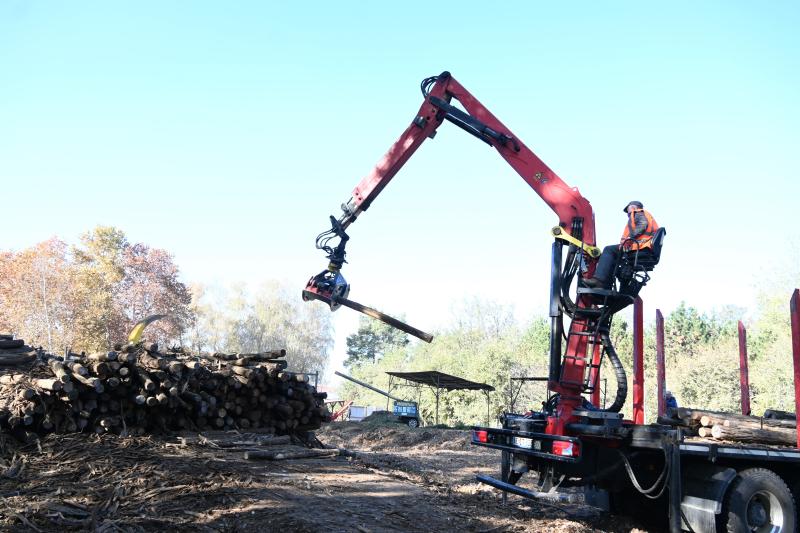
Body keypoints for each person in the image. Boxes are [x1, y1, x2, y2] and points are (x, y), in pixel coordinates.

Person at [582, 201, 660, 289]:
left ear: (633, 207)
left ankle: (599, 281)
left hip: (639, 246)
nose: (628, 213)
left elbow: (642, 225)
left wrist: (629, 238)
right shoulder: (646, 215)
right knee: (615, 257)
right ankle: (608, 284)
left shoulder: (638, 213)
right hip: (644, 247)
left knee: (609, 250)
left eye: (628, 210)